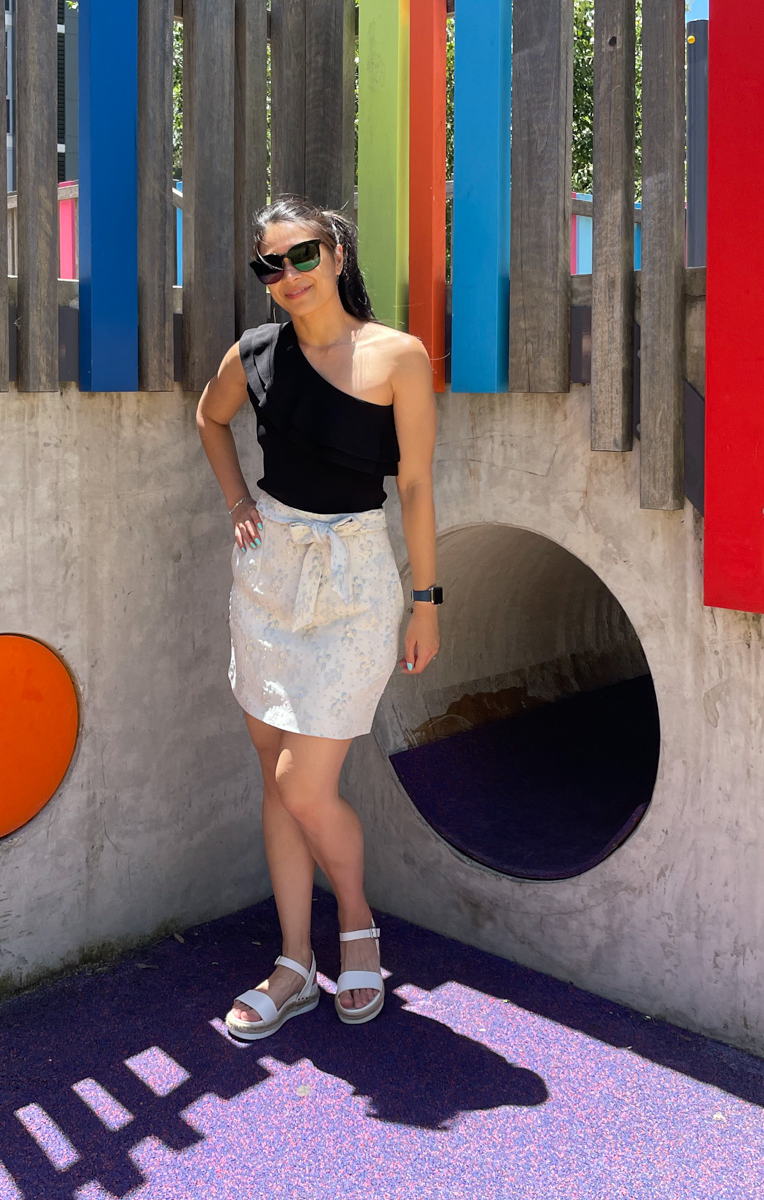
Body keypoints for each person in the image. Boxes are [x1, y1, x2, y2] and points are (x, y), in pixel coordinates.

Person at [195, 195, 441, 1040]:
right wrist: (236, 501)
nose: (287, 276)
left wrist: (427, 599)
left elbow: (413, 484)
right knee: (275, 778)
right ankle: (296, 960)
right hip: (268, 578)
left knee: (307, 781)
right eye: (271, 266)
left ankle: (358, 924)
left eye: (301, 255)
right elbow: (210, 416)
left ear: (336, 253)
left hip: (355, 579)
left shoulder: (398, 357)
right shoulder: (254, 353)